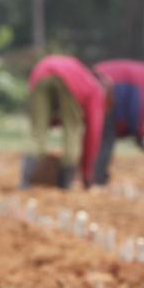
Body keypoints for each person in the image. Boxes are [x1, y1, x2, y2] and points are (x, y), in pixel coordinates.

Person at [24, 55, 109, 190]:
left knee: (37, 132)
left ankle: (25, 182)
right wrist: (87, 176)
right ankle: (64, 184)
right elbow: (92, 134)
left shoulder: (83, 74)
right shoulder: (96, 90)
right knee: (72, 130)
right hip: (68, 81)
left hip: (39, 73)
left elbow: (46, 117)